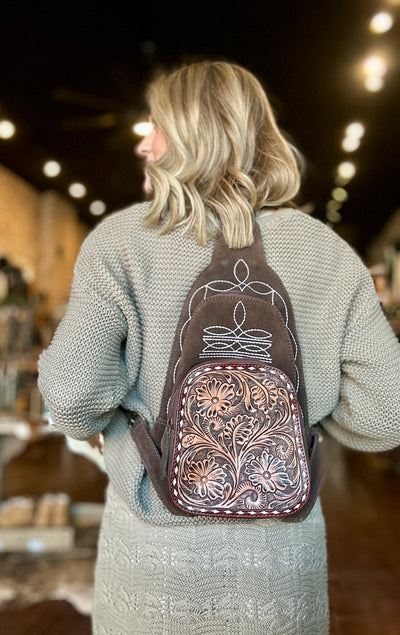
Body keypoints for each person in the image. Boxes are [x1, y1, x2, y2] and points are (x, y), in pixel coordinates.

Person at [38, 60, 400, 634]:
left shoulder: (124, 241)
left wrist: (119, 423)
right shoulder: (326, 252)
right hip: (282, 572)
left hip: (154, 567)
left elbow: (71, 396)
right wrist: (290, 418)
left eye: (153, 127)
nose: (143, 146)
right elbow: (386, 415)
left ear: (186, 136)